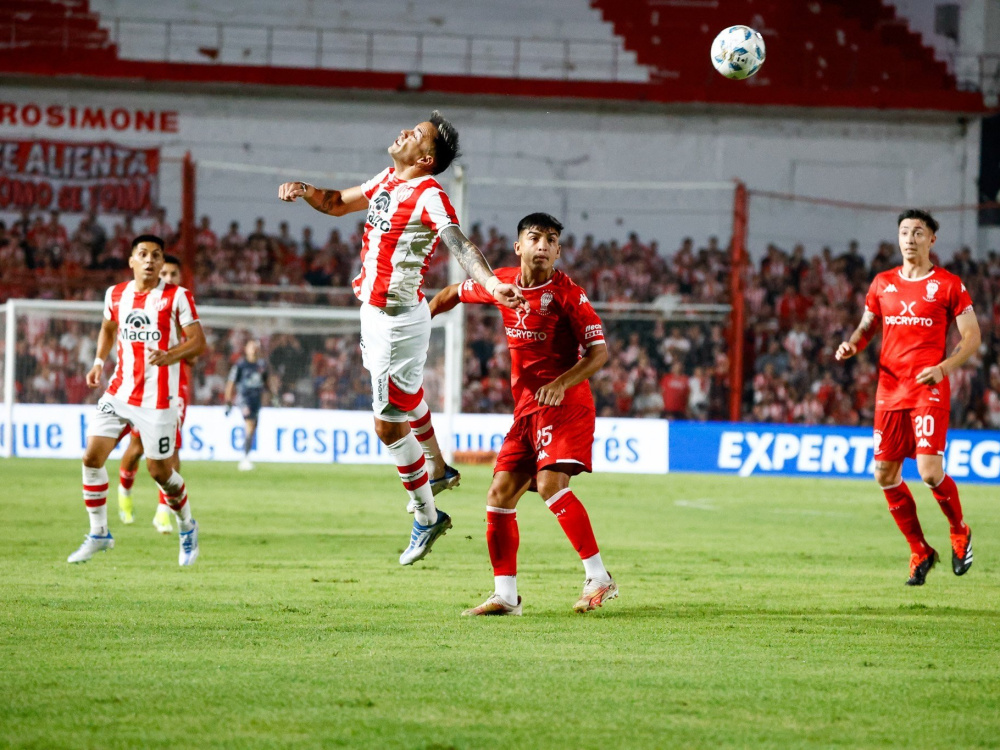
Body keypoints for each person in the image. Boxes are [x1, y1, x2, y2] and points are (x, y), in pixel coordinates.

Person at [278, 111, 526, 565]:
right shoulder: (386, 181)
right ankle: (438, 467)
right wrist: (305, 190)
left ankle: (428, 517)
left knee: (388, 427)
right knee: (407, 398)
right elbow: (336, 203)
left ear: (426, 157)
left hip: (394, 323)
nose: (404, 132)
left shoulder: (429, 194)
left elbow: (460, 244)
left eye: (416, 134)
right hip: (377, 316)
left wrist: (491, 286)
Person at [429, 213, 617, 615]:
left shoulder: (569, 295)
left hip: (565, 402)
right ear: (519, 247)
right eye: (535, 238)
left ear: (558, 251)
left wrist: (562, 382)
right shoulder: (501, 283)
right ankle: (506, 595)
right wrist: (418, 322)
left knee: (550, 484)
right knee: (498, 496)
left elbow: (599, 353)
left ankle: (598, 576)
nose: (543, 246)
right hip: (527, 410)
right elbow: (450, 293)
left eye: (551, 240)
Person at [836, 209, 980, 586]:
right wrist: (852, 345)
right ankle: (920, 550)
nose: (910, 238)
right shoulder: (882, 283)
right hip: (890, 390)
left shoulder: (948, 285)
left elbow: (972, 337)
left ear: (932, 240)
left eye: (919, 232)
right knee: (884, 474)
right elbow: (867, 327)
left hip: (928, 387)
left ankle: (959, 531)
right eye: (904, 231)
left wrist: (944, 368)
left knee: (930, 472)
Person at [68, 235, 206, 566]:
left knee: (160, 471)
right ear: (131, 260)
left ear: (161, 264)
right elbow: (108, 328)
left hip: (158, 400)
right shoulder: (115, 294)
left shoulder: (177, 297)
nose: (149, 260)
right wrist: (99, 361)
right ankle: (99, 533)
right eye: (142, 254)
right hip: (119, 391)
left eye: (156, 256)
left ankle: (187, 526)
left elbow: (198, 342)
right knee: (91, 457)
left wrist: (170, 354)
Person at [116, 253, 195, 534]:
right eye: (166, 275)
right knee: (137, 449)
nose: (170, 279)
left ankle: (163, 512)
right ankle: (124, 492)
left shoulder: (183, 306)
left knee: (171, 449)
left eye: (174, 275)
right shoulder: (142, 306)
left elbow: (195, 356)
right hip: (144, 385)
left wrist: (179, 343)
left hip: (175, 388)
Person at [225, 339, 271, 471]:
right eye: (252, 347)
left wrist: (273, 397)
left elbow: (267, 383)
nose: (254, 350)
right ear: (246, 349)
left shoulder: (262, 366)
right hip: (244, 399)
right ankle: (245, 458)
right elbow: (231, 383)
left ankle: (246, 455)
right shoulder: (240, 366)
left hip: (256, 399)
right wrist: (228, 401)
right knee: (249, 425)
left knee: (253, 427)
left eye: (256, 347)